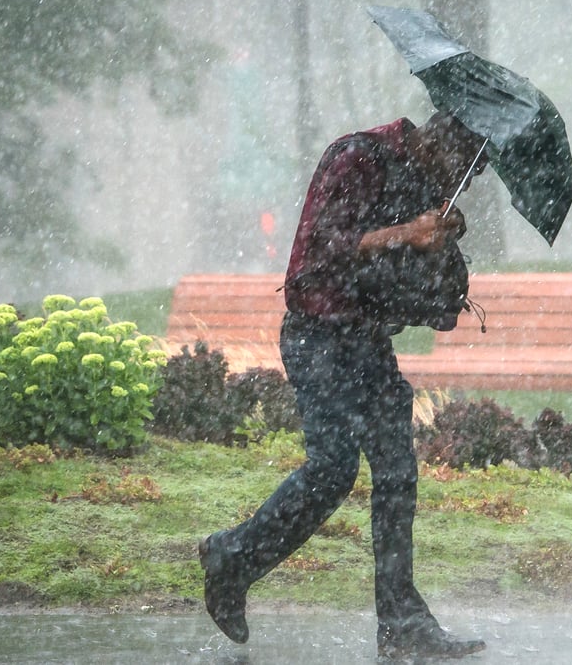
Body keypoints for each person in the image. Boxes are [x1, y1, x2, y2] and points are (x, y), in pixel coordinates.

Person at [199, 111, 488, 660]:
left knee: (397, 473)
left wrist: (437, 246)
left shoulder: (420, 177)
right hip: (317, 334)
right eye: (461, 170)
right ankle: (232, 557)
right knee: (333, 468)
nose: (460, 184)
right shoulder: (357, 156)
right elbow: (322, 248)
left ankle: (402, 623)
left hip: (366, 339)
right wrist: (406, 232)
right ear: (438, 143)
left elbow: (394, 276)